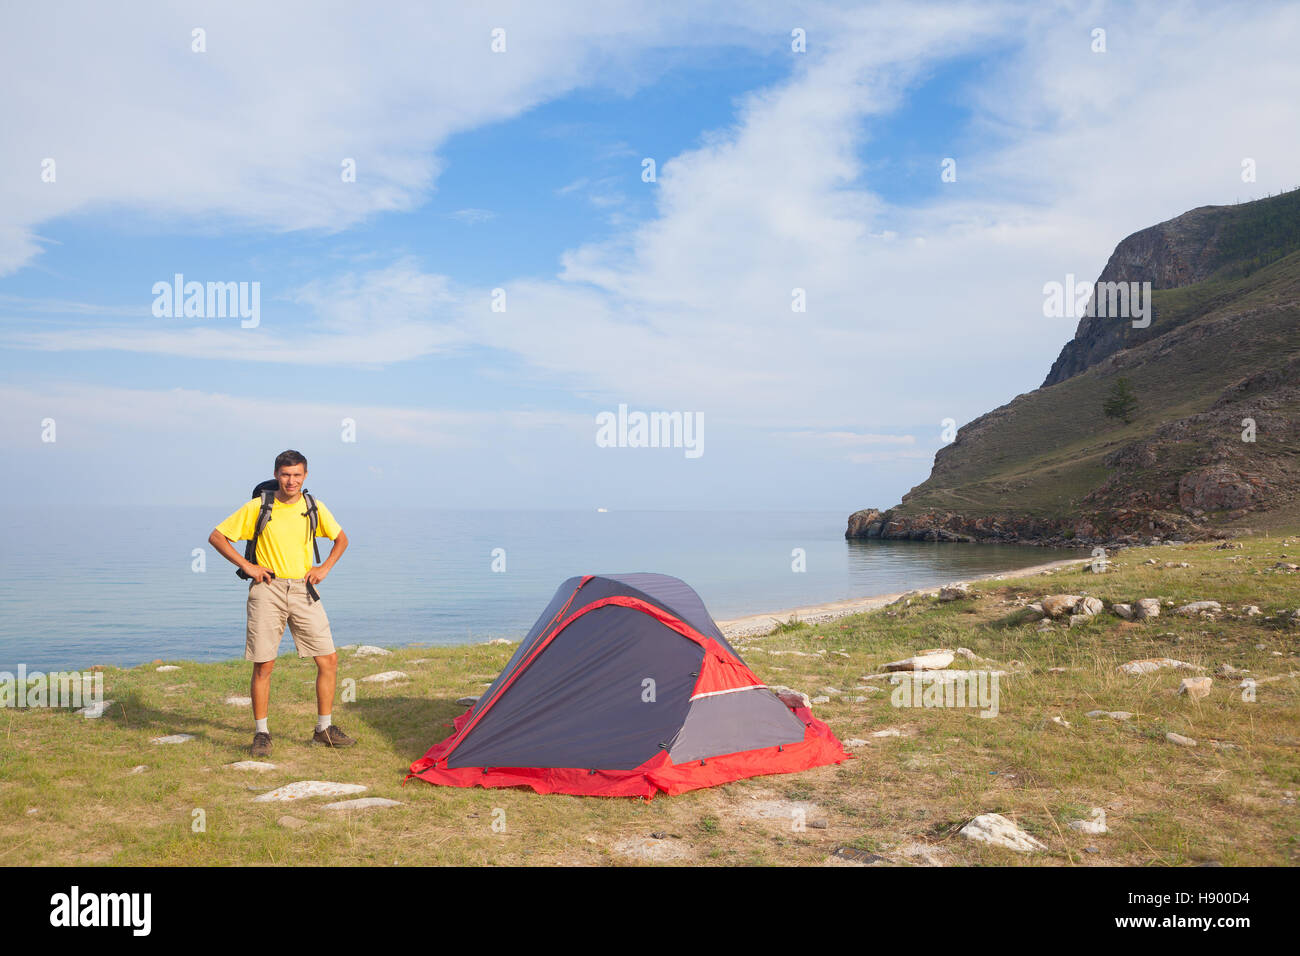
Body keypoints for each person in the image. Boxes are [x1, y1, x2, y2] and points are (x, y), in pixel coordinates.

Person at [208, 449, 356, 756]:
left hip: (304, 589)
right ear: (277, 475)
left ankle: (323, 729)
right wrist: (248, 567)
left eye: (297, 475)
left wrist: (324, 568)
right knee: (264, 664)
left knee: (328, 660)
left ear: (305, 476)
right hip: (267, 588)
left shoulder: (313, 506)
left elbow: (341, 538)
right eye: (286, 475)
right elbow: (218, 536)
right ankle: (261, 734)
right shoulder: (259, 506)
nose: (291, 481)